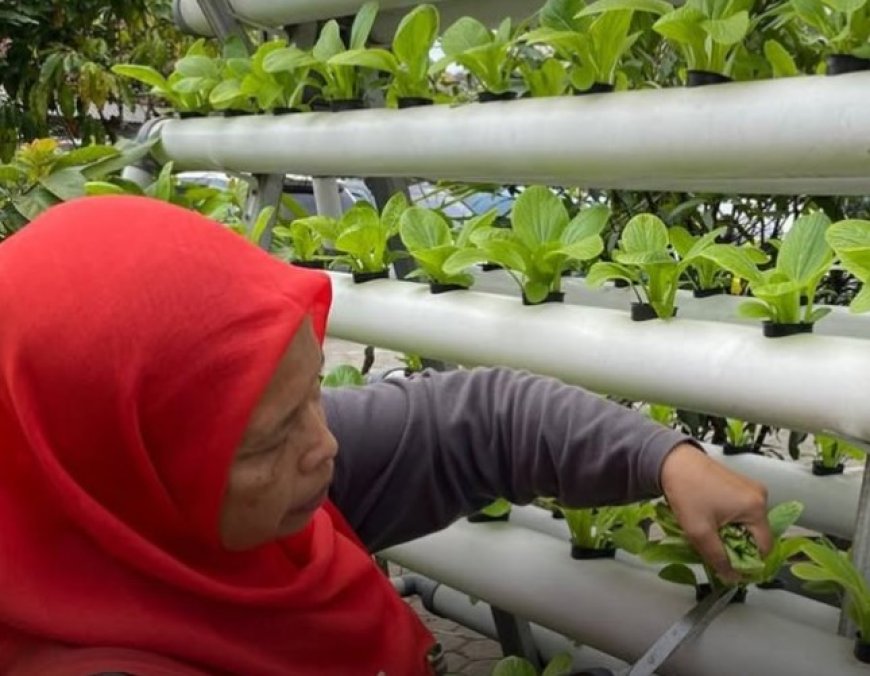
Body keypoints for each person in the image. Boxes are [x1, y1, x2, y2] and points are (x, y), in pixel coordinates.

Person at [0, 196, 771, 676]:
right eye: (268, 440)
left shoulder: (246, 508)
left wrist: (664, 459)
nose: (325, 445)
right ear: (122, 473)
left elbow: (477, 420)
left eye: (313, 394)